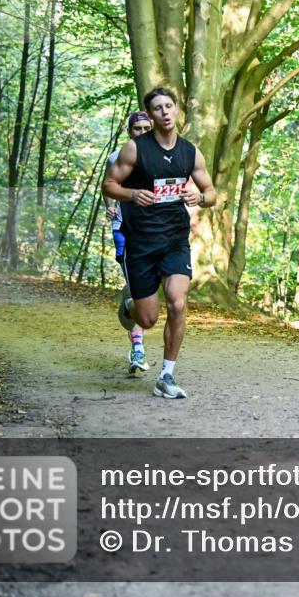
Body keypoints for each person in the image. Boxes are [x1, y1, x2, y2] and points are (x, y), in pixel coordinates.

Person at [102, 87, 217, 399]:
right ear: (149, 115)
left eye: (169, 106)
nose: (164, 112)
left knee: (178, 303)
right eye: (157, 108)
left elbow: (213, 193)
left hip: (174, 240)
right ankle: (130, 307)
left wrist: (201, 197)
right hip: (140, 243)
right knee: (148, 318)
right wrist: (132, 194)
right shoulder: (135, 149)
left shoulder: (190, 152)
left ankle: (166, 375)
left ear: (176, 110)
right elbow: (110, 184)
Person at [105, 110, 153, 375]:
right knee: (139, 290)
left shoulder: (162, 158)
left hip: (156, 233)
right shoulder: (116, 158)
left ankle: (127, 305)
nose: (143, 134)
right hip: (125, 231)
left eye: (148, 129)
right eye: (138, 130)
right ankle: (138, 348)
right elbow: (108, 186)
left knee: (149, 292)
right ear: (129, 132)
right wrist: (111, 207)